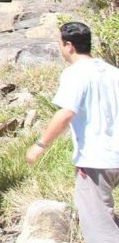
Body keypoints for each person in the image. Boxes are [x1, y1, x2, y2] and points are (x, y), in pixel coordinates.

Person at [26, 21, 119, 243]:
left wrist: (40, 145)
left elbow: (66, 113)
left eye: (59, 43)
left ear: (69, 46)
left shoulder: (75, 73)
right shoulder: (113, 71)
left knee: (99, 225)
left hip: (96, 159)